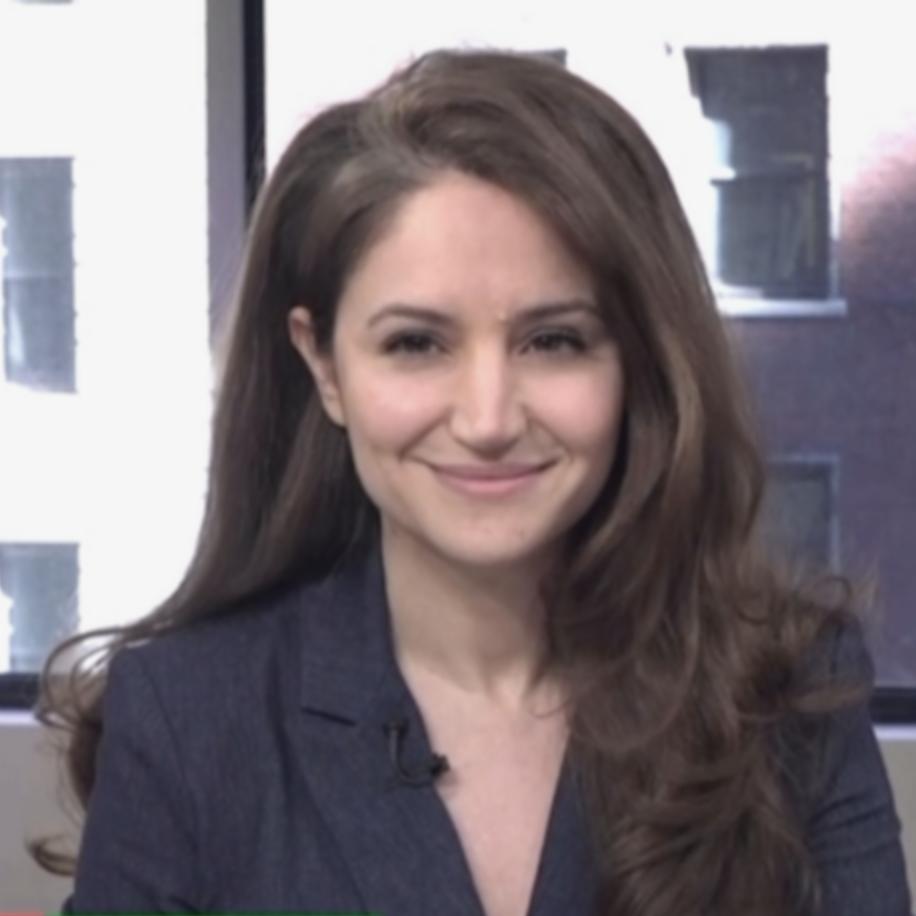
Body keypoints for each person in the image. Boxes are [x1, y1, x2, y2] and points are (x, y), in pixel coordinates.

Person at [34, 49, 911, 916]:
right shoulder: (189, 719)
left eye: (553, 340)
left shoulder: (787, 695)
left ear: (640, 360)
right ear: (325, 365)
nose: (488, 420)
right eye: (416, 343)